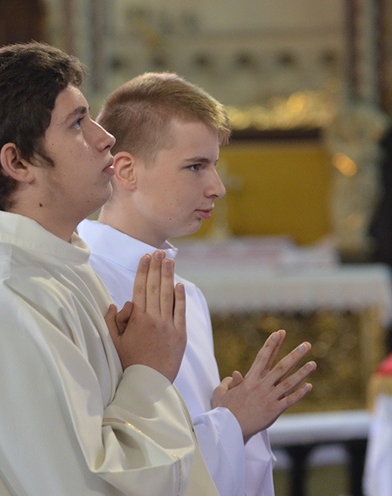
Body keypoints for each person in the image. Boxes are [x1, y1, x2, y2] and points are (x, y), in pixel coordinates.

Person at [0, 43, 217, 495]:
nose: (105, 138)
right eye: (77, 123)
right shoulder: (9, 294)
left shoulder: (58, 264)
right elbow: (86, 483)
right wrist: (150, 373)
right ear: (17, 162)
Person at [78, 72, 317, 496]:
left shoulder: (189, 295)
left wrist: (234, 421)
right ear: (127, 170)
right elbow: (104, 463)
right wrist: (233, 422)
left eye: (214, 166)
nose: (217, 187)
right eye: (195, 167)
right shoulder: (82, 284)